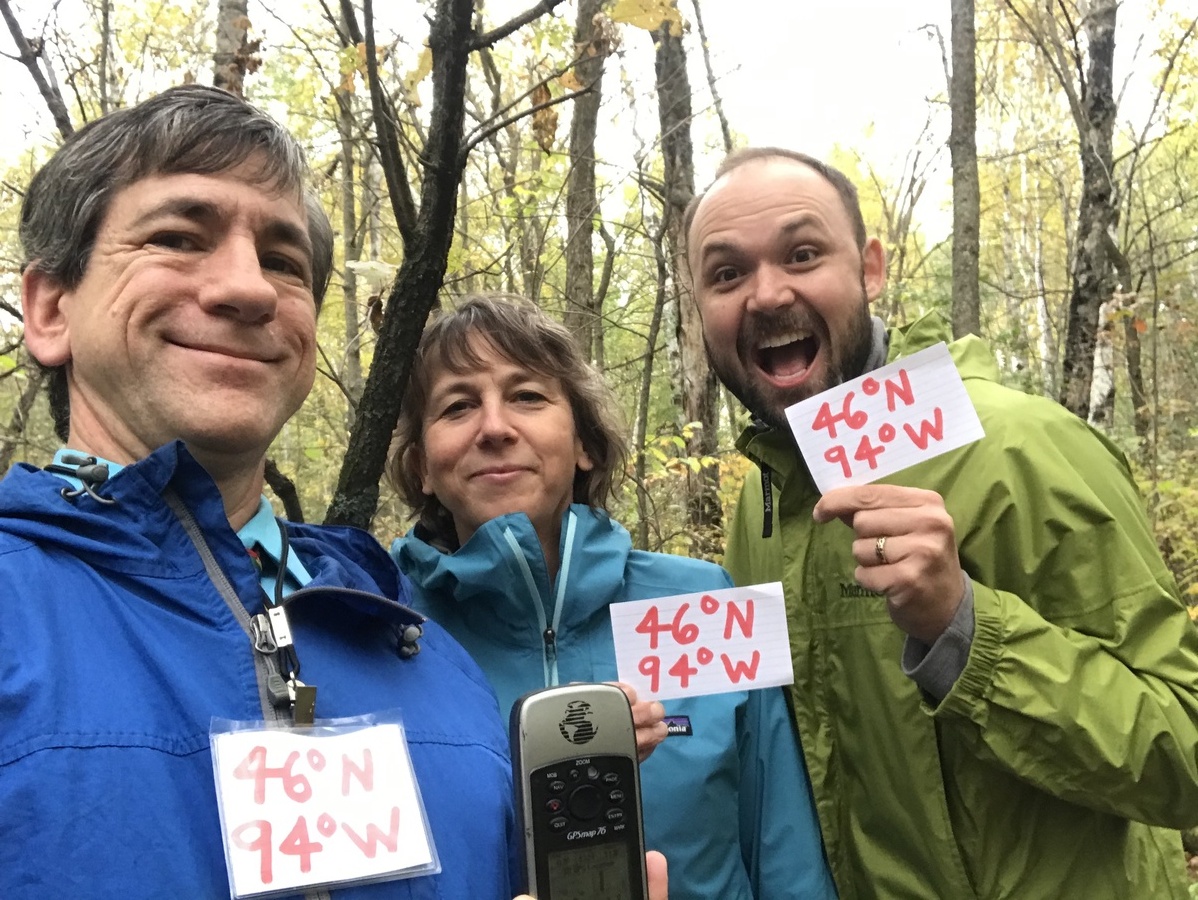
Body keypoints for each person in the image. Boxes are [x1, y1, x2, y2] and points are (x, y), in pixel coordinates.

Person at [2, 84, 523, 899]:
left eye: (282, 261)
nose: (247, 288)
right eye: (177, 237)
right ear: (49, 308)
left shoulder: (428, 655)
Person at [684, 146, 1198, 898]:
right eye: (726, 274)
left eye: (802, 253)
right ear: (699, 309)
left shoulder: (1023, 447)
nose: (766, 294)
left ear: (871, 270)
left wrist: (966, 629)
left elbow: (1184, 753)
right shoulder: (760, 507)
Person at [387, 294, 837, 900]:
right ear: (421, 466)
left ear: (584, 444)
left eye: (527, 396)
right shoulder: (387, 630)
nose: (495, 428)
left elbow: (784, 849)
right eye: (458, 405)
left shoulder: (702, 600)